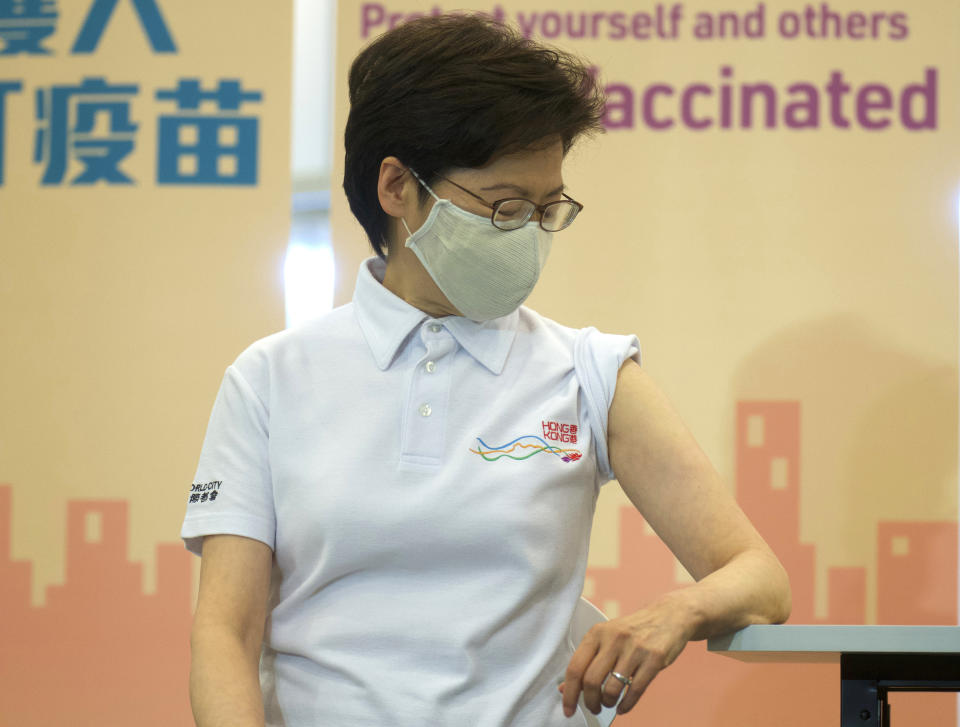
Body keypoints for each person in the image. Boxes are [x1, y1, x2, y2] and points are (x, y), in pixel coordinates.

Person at [182, 13, 791, 727]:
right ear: (397, 188)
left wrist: (674, 611)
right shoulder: (270, 381)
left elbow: (761, 578)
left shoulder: (589, 373)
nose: (530, 233)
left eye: (547, 208)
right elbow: (225, 633)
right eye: (504, 207)